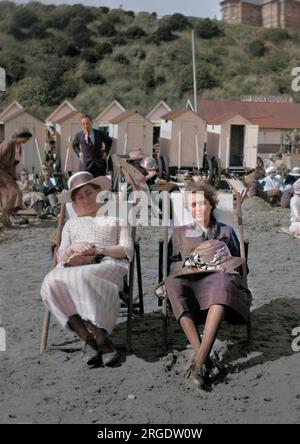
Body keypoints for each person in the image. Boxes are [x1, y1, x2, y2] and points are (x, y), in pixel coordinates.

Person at [164, 182, 252, 389]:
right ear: (188, 209)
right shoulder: (179, 233)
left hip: (219, 282)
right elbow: (171, 264)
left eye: (202, 203)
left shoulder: (226, 231)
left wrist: (224, 264)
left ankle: (199, 363)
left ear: (211, 205)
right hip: (191, 281)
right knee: (172, 283)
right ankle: (205, 358)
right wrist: (189, 264)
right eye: (193, 205)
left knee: (221, 283)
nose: (198, 209)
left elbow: (240, 267)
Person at [41, 171, 133, 367]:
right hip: (74, 266)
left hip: (107, 263)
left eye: (89, 193)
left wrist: (96, 249)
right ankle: (87, 338)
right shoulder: (70, 225)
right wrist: (72, 249)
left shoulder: (116, 219)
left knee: (83, 276)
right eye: (79, 197)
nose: (85, 199)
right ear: (74, 204)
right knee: (50, 282)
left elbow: (127, 250)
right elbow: (60, 256)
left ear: (99, 193)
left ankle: (100, 337)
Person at [0, 128, 32, 228]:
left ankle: (5, 218)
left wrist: (13, 175)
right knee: (14, 192)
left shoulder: (18, 147)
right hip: (1, 171)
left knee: (12, 195)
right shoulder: (8, 143)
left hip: (8, 173)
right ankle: (4, 217)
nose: (26, 141)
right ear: (21, 137)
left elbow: (14, 163)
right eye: (26, 138)